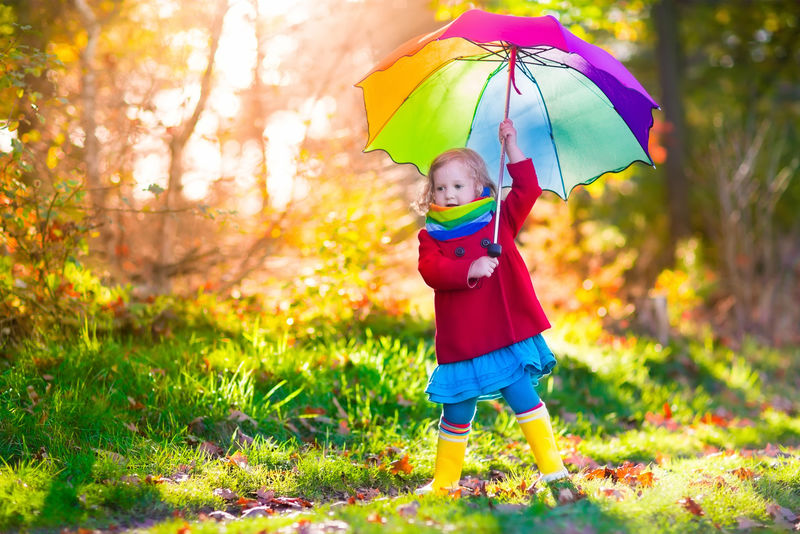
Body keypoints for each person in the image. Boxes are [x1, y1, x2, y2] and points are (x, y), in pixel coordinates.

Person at [414, 119, 568, 495]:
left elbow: (528, 188)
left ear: (479, 186)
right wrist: (470, 267)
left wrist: (511, 145)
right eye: (441, 187)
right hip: (464, 340)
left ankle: (555, 473)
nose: (449, 194)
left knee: (522, 397)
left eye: (458, 186)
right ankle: (444, 483)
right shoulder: (431, 235)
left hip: (502, 336)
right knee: (456, 411)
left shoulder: (498, 219)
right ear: (431, 191)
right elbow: (430, 270)